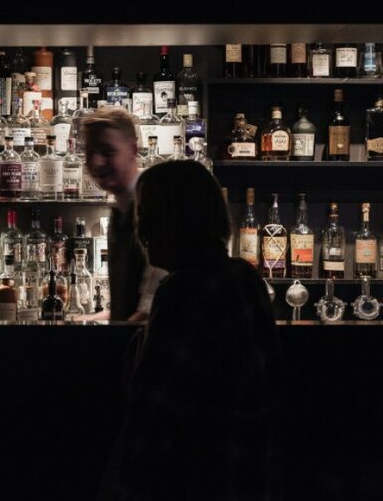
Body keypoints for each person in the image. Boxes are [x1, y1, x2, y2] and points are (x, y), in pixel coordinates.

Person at [98, 160, 283, 501]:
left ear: (176, 220)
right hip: (247, 477)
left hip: (197, 482)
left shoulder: (186, 290)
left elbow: (153, 416)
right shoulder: (244, 277)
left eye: (150, 213)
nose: (143, 229)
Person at [82, 106, 164, 321]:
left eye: (108, 152)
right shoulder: (121, 209)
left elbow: (152, 312)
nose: (97, 162)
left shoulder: (153, 205)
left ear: (133, 150)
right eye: (90, 152)